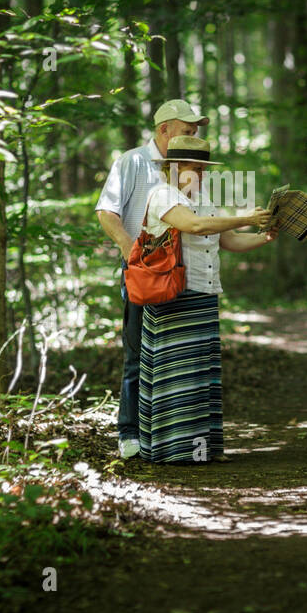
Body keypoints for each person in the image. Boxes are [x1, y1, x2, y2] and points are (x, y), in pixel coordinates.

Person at [136, 135, 275, 464]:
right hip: (173, 295)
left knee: (200, 374)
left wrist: (265, 236)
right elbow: (194, 225)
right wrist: (246, 217)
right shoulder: (161, 195)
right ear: (173, 168)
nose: (200, 176)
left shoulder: (204, 199)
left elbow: (228, 240)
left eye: (202, 169)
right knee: (176, 373)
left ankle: (201, 451)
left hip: (204, 293)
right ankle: (172, 451)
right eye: (194, 169)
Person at [95, 99, 206, 459]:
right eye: (188, 129)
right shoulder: (132, 161)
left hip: (183, 277)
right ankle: (129, 432)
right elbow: (106, 210)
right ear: (164, 129)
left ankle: (168, 434)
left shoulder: (189, 164)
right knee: (136, 353)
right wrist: (131, 250)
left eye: (195, 130)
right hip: (144, 277)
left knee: (172, 356)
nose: (194, 134)